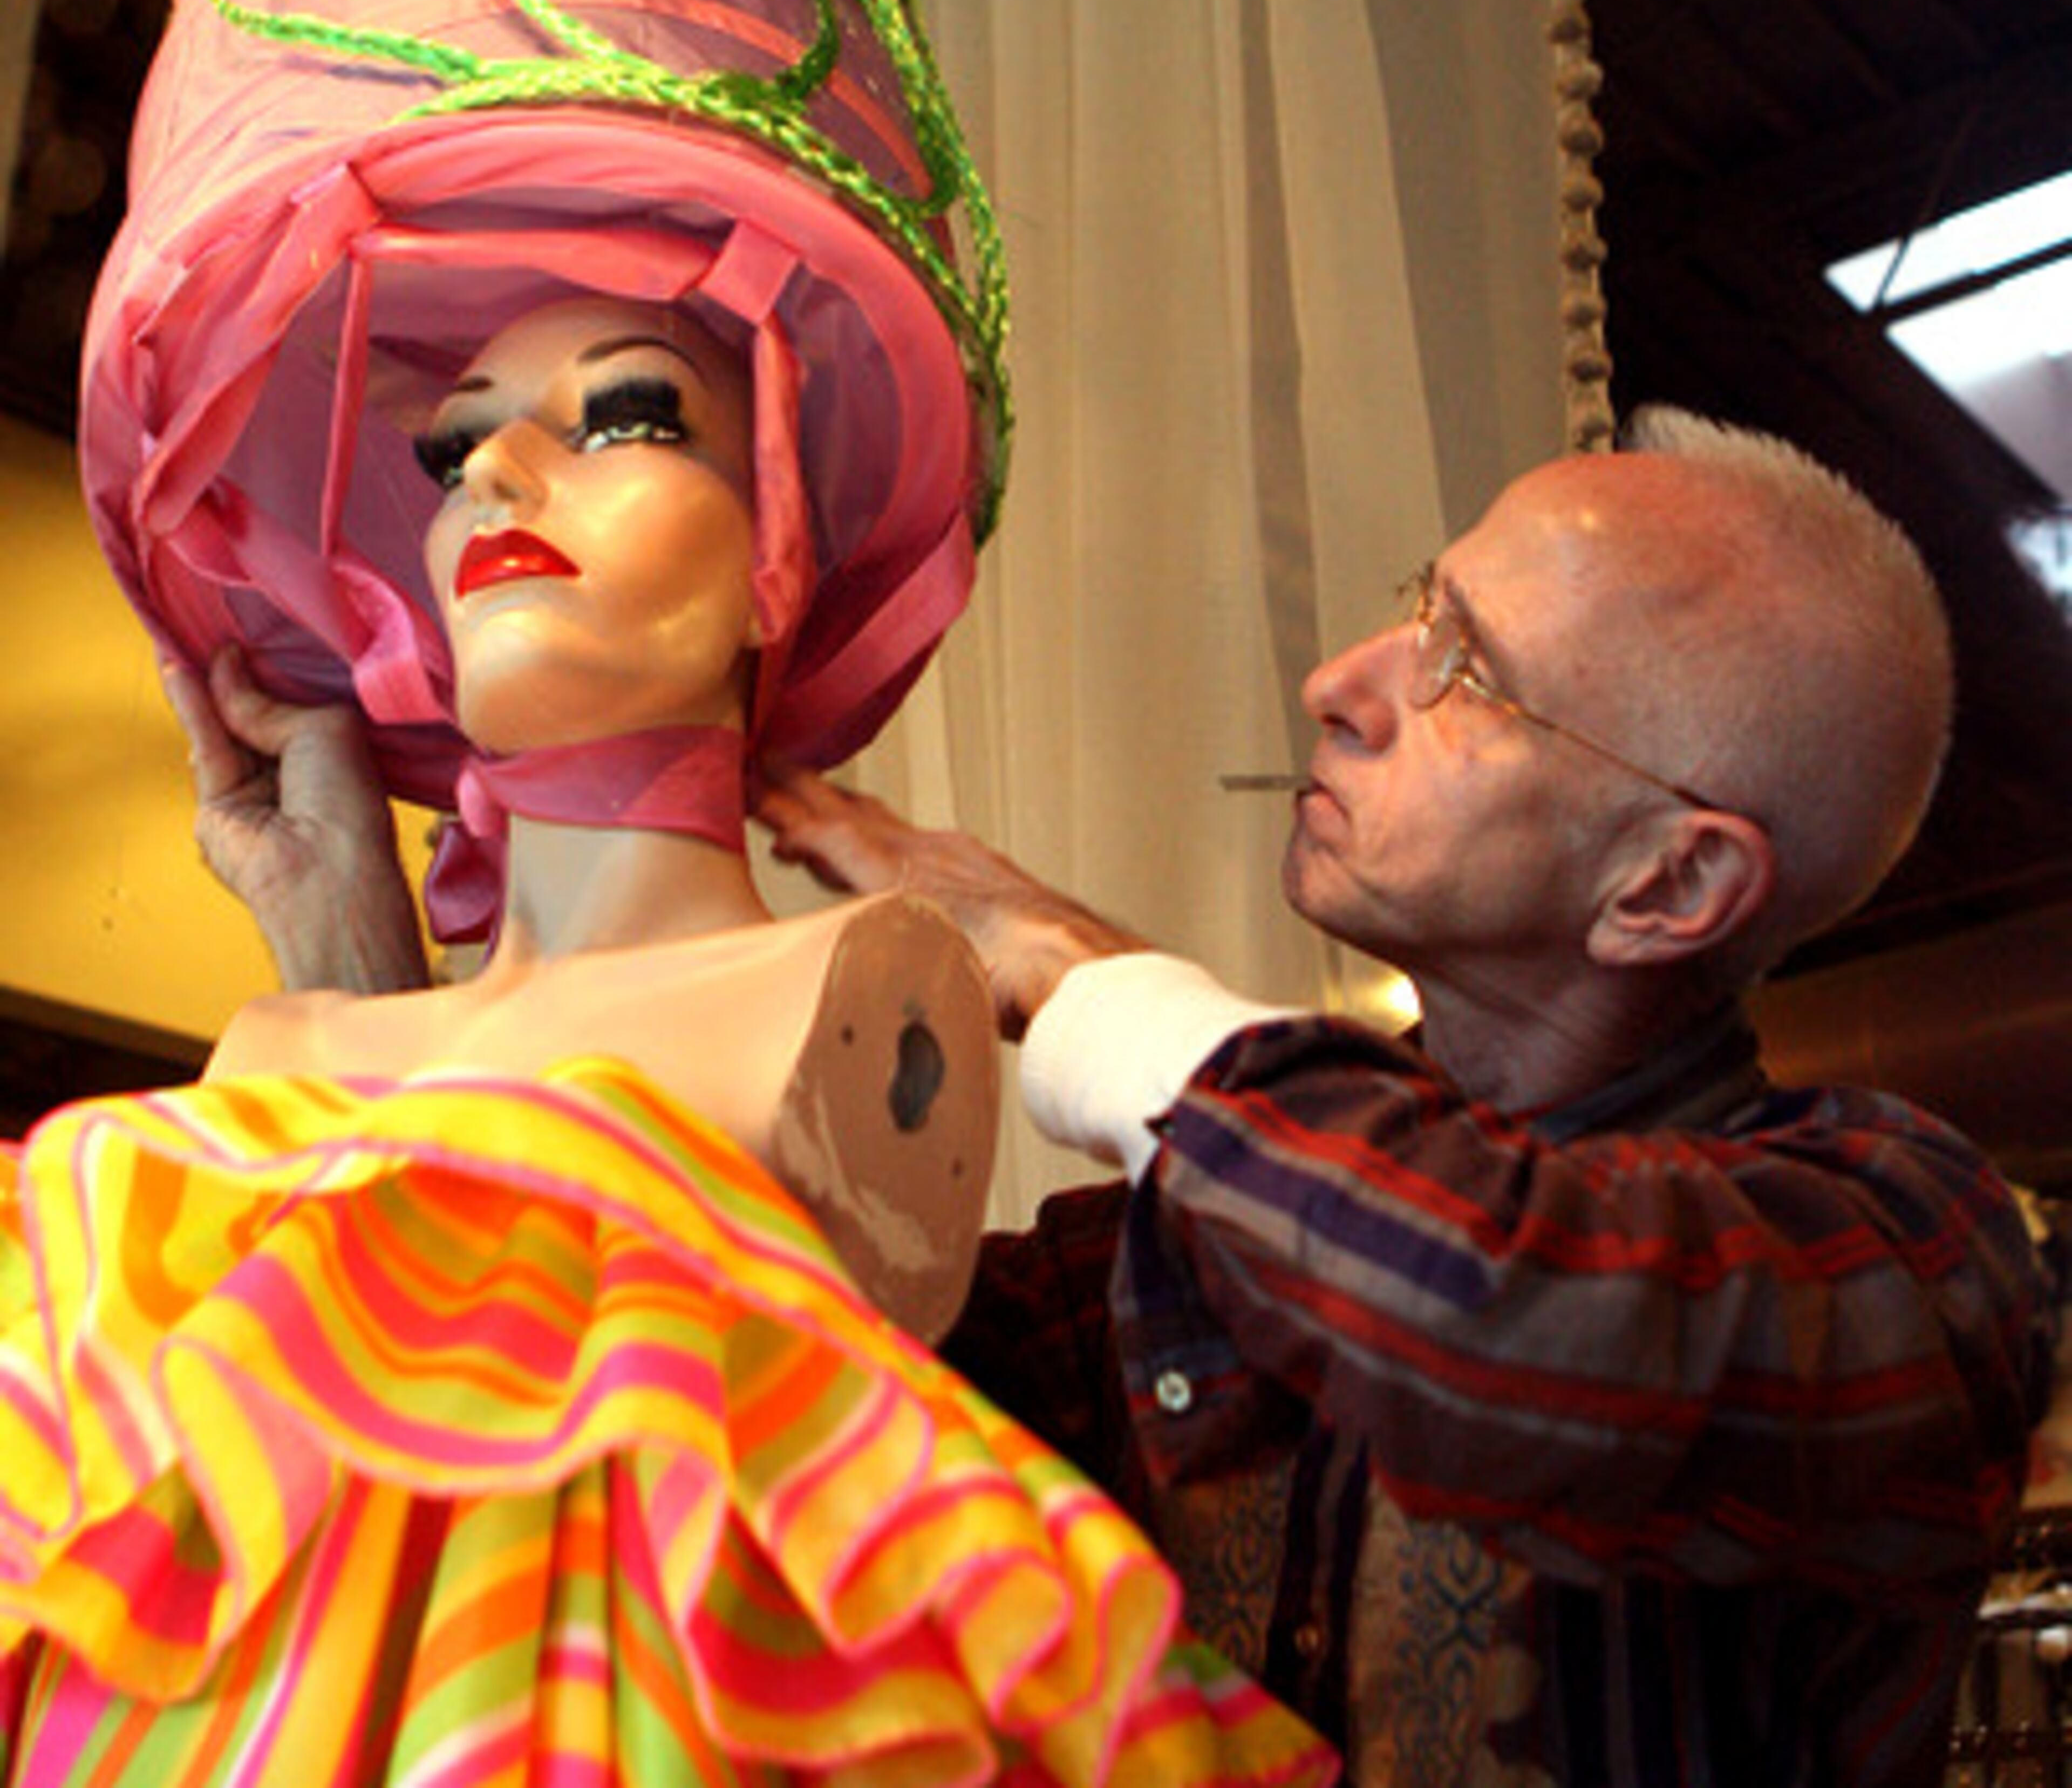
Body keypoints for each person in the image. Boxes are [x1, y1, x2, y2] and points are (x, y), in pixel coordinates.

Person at [1, 0, 1334, 1787]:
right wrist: (349, 943)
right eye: (451, 450)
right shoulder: (302, 1056)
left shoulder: (862, 998)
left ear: (782, 535)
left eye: (626, 413)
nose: (503, 478)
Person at [185, 401, 2059, 1783]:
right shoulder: (1165, 1261)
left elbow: (1513, 1312)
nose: (1342, 680)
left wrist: (1082, 985)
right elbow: (656, 1384)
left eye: (1468, 670)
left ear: (1669, 887)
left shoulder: (1907, 1244)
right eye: (1418, 604)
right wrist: (366, 985)